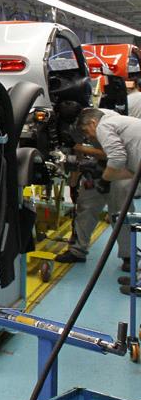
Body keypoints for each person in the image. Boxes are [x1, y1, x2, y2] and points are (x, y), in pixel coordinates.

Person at [59, 109, 141, 286]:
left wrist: (105, 179)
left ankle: (129, 257)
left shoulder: (105, 121)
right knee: (85, 206)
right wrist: (74, 184)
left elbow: (117, 156)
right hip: (110, 169)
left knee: (120, 213)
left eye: (86, 132)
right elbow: (77, 156)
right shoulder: (80, 124)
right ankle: (78, 250)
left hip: (116, 167)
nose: (86, 135)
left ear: (92, 123)